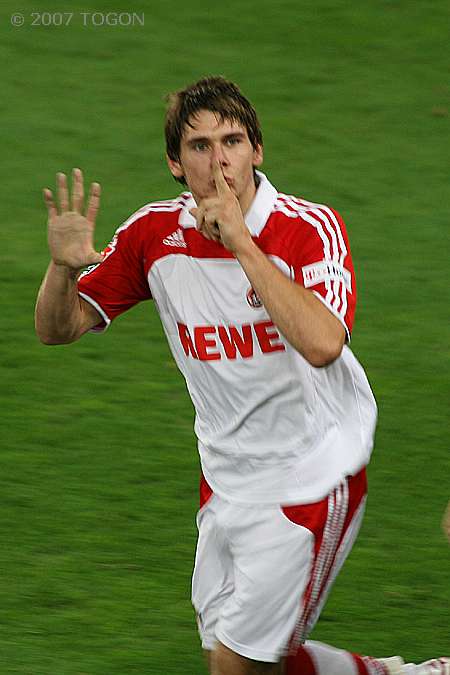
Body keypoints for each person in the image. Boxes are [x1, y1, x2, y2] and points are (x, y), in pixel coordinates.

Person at [35, 77, 449, 675]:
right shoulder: (154, 236)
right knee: (247, 659)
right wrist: (61, 270)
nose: (219, 160)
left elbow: (324, 343)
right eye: (199, 146)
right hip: (226, 479)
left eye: (232, 141)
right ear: (175, 163)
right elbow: (59, 327)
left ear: (257, 149)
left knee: (236, 663)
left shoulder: (308, 229)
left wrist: (241, 242)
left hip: (311, 476)